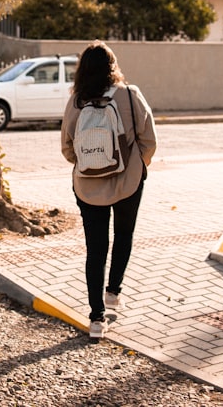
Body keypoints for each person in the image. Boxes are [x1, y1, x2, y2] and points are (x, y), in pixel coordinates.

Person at [60, 41, 157, 340]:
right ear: (113, 66)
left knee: (96, 249)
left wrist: (88, 164)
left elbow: (66, 146)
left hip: (88, 187)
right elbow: (149, 139)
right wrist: (138, 166)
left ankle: (96, 319)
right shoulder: (130, 95)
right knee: (124, 235)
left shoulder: (77, 100)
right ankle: (113, 291)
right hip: (128, 182)